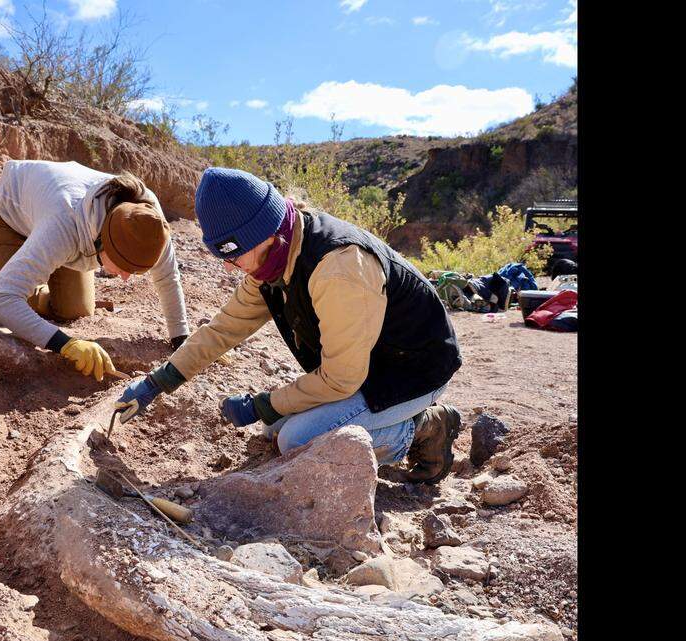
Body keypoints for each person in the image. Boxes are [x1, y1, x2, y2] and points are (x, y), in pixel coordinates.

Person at [117, 167, 463, 483]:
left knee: (297, 439)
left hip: (414, 372)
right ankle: (397, 423)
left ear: (260, 236)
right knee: (277, 428)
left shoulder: (338, 268)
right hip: (368, 365)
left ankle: (423, 428)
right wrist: (155, 384)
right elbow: (224, 329)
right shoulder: (273, 258)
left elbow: (341, 379)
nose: (228, 268)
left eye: (231, 255)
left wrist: (260, 404)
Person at [0, 159, 190, 381]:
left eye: (135, 272)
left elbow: (167, 277)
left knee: (75, 309)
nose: (126, 278)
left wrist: (181, 339)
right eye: (123, 266)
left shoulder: (149, 224)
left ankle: (33, 266)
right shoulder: (62, 225)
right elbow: (1, 299)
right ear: (102, 243)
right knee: (11, 301)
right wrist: (65, 344)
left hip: (56, 224)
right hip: (7, 215)